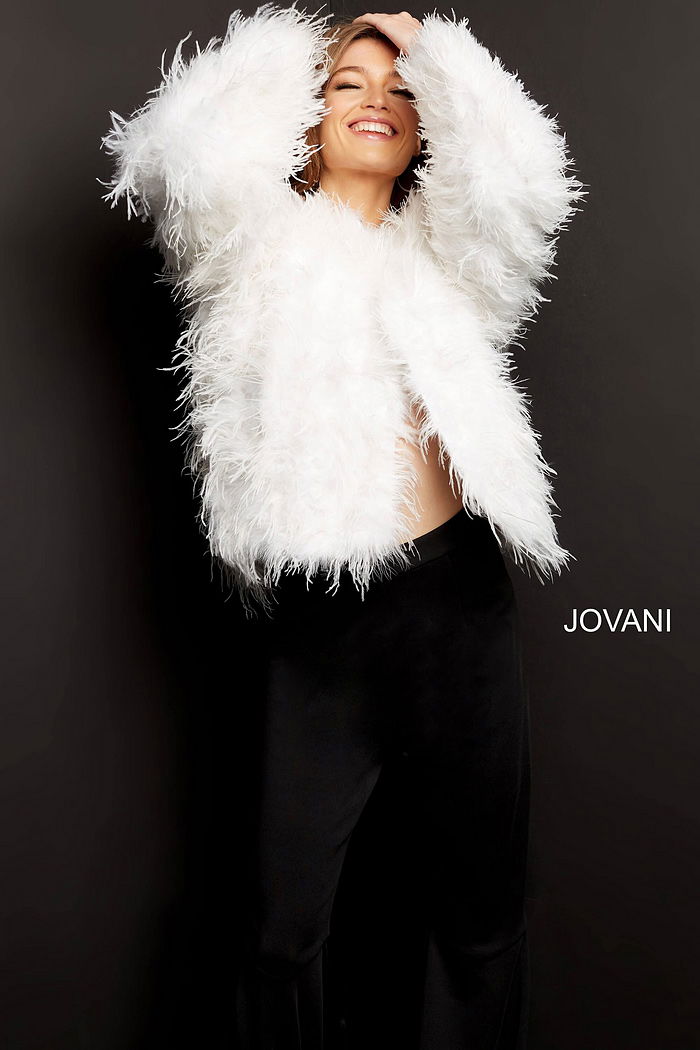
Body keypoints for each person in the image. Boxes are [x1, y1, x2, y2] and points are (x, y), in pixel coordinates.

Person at [100, 4, 585, 1046]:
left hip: (458, 600)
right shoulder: (244, 246)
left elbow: (527, 184)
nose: (378, 101)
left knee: (480, 909)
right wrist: (296, 52)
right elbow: (184, 155)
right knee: (280, 928)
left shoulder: (449, 258)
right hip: (322, 616)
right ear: (304, 114)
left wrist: (434, 47)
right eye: (347, 86)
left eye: (401, 92)